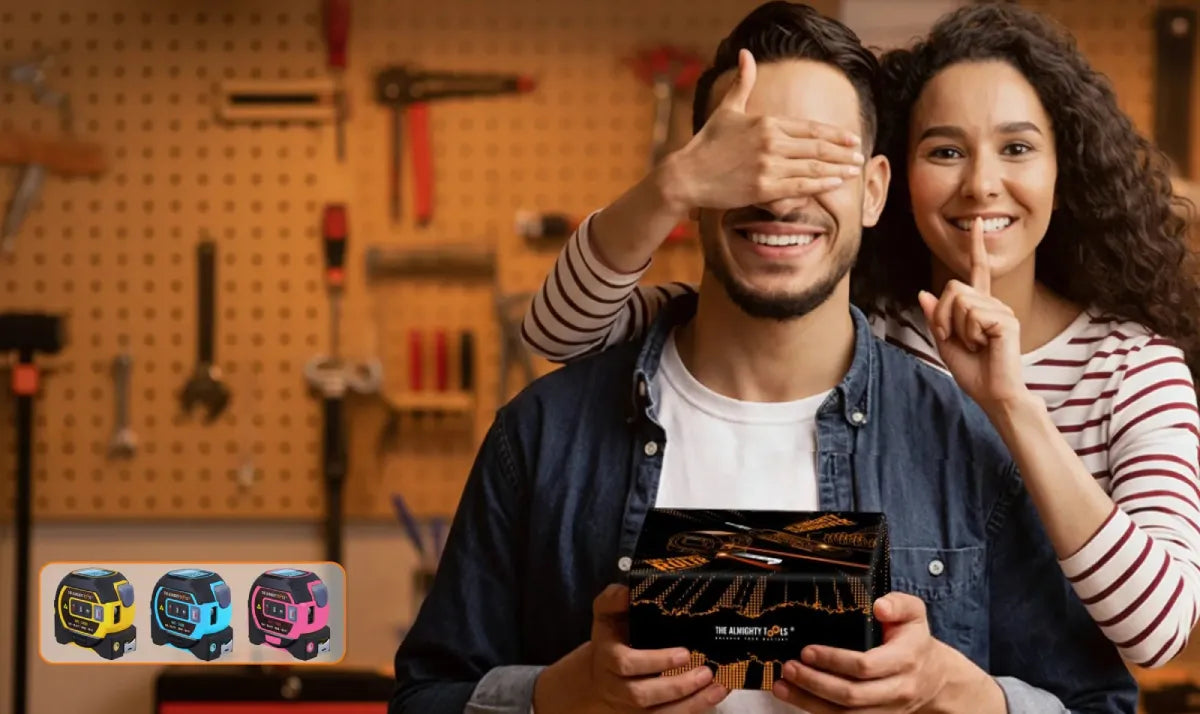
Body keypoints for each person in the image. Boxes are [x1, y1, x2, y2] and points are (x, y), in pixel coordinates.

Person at [392, 3, 1137, 712]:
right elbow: (422, 698)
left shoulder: (965, 444)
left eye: (816, 158)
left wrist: (958, 695)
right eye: (747, 158)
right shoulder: (543, 437)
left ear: (875, 192)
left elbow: (1101, 705)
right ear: (697, 183)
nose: (779, 196)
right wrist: (560, 697)